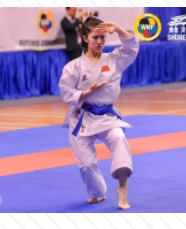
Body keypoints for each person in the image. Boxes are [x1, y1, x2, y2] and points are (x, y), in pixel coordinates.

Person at [59, 18, 139, 209]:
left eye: (103, 37)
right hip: (82, 117)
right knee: (86, 164)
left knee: (119, 137)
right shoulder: (73, 67)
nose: (100, 41)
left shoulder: (114, 59)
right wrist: (87, 93)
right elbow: (66, 93)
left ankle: (123, 188)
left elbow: (132, 48)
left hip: (106, 116)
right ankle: (97, 192)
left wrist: (118, 28)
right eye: (95, 37)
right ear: (85, 38)